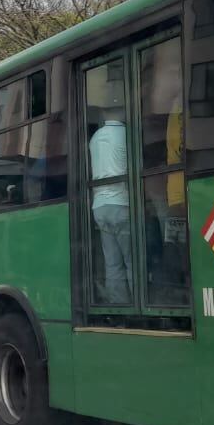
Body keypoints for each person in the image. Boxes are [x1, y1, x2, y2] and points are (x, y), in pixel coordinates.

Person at [89, 107, 131, 303]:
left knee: (112, 263)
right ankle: (138, 304)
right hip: (121, 204)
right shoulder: (126, 134)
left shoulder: (95, 138)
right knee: (132, 261)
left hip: (99, 207)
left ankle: (119, 307)